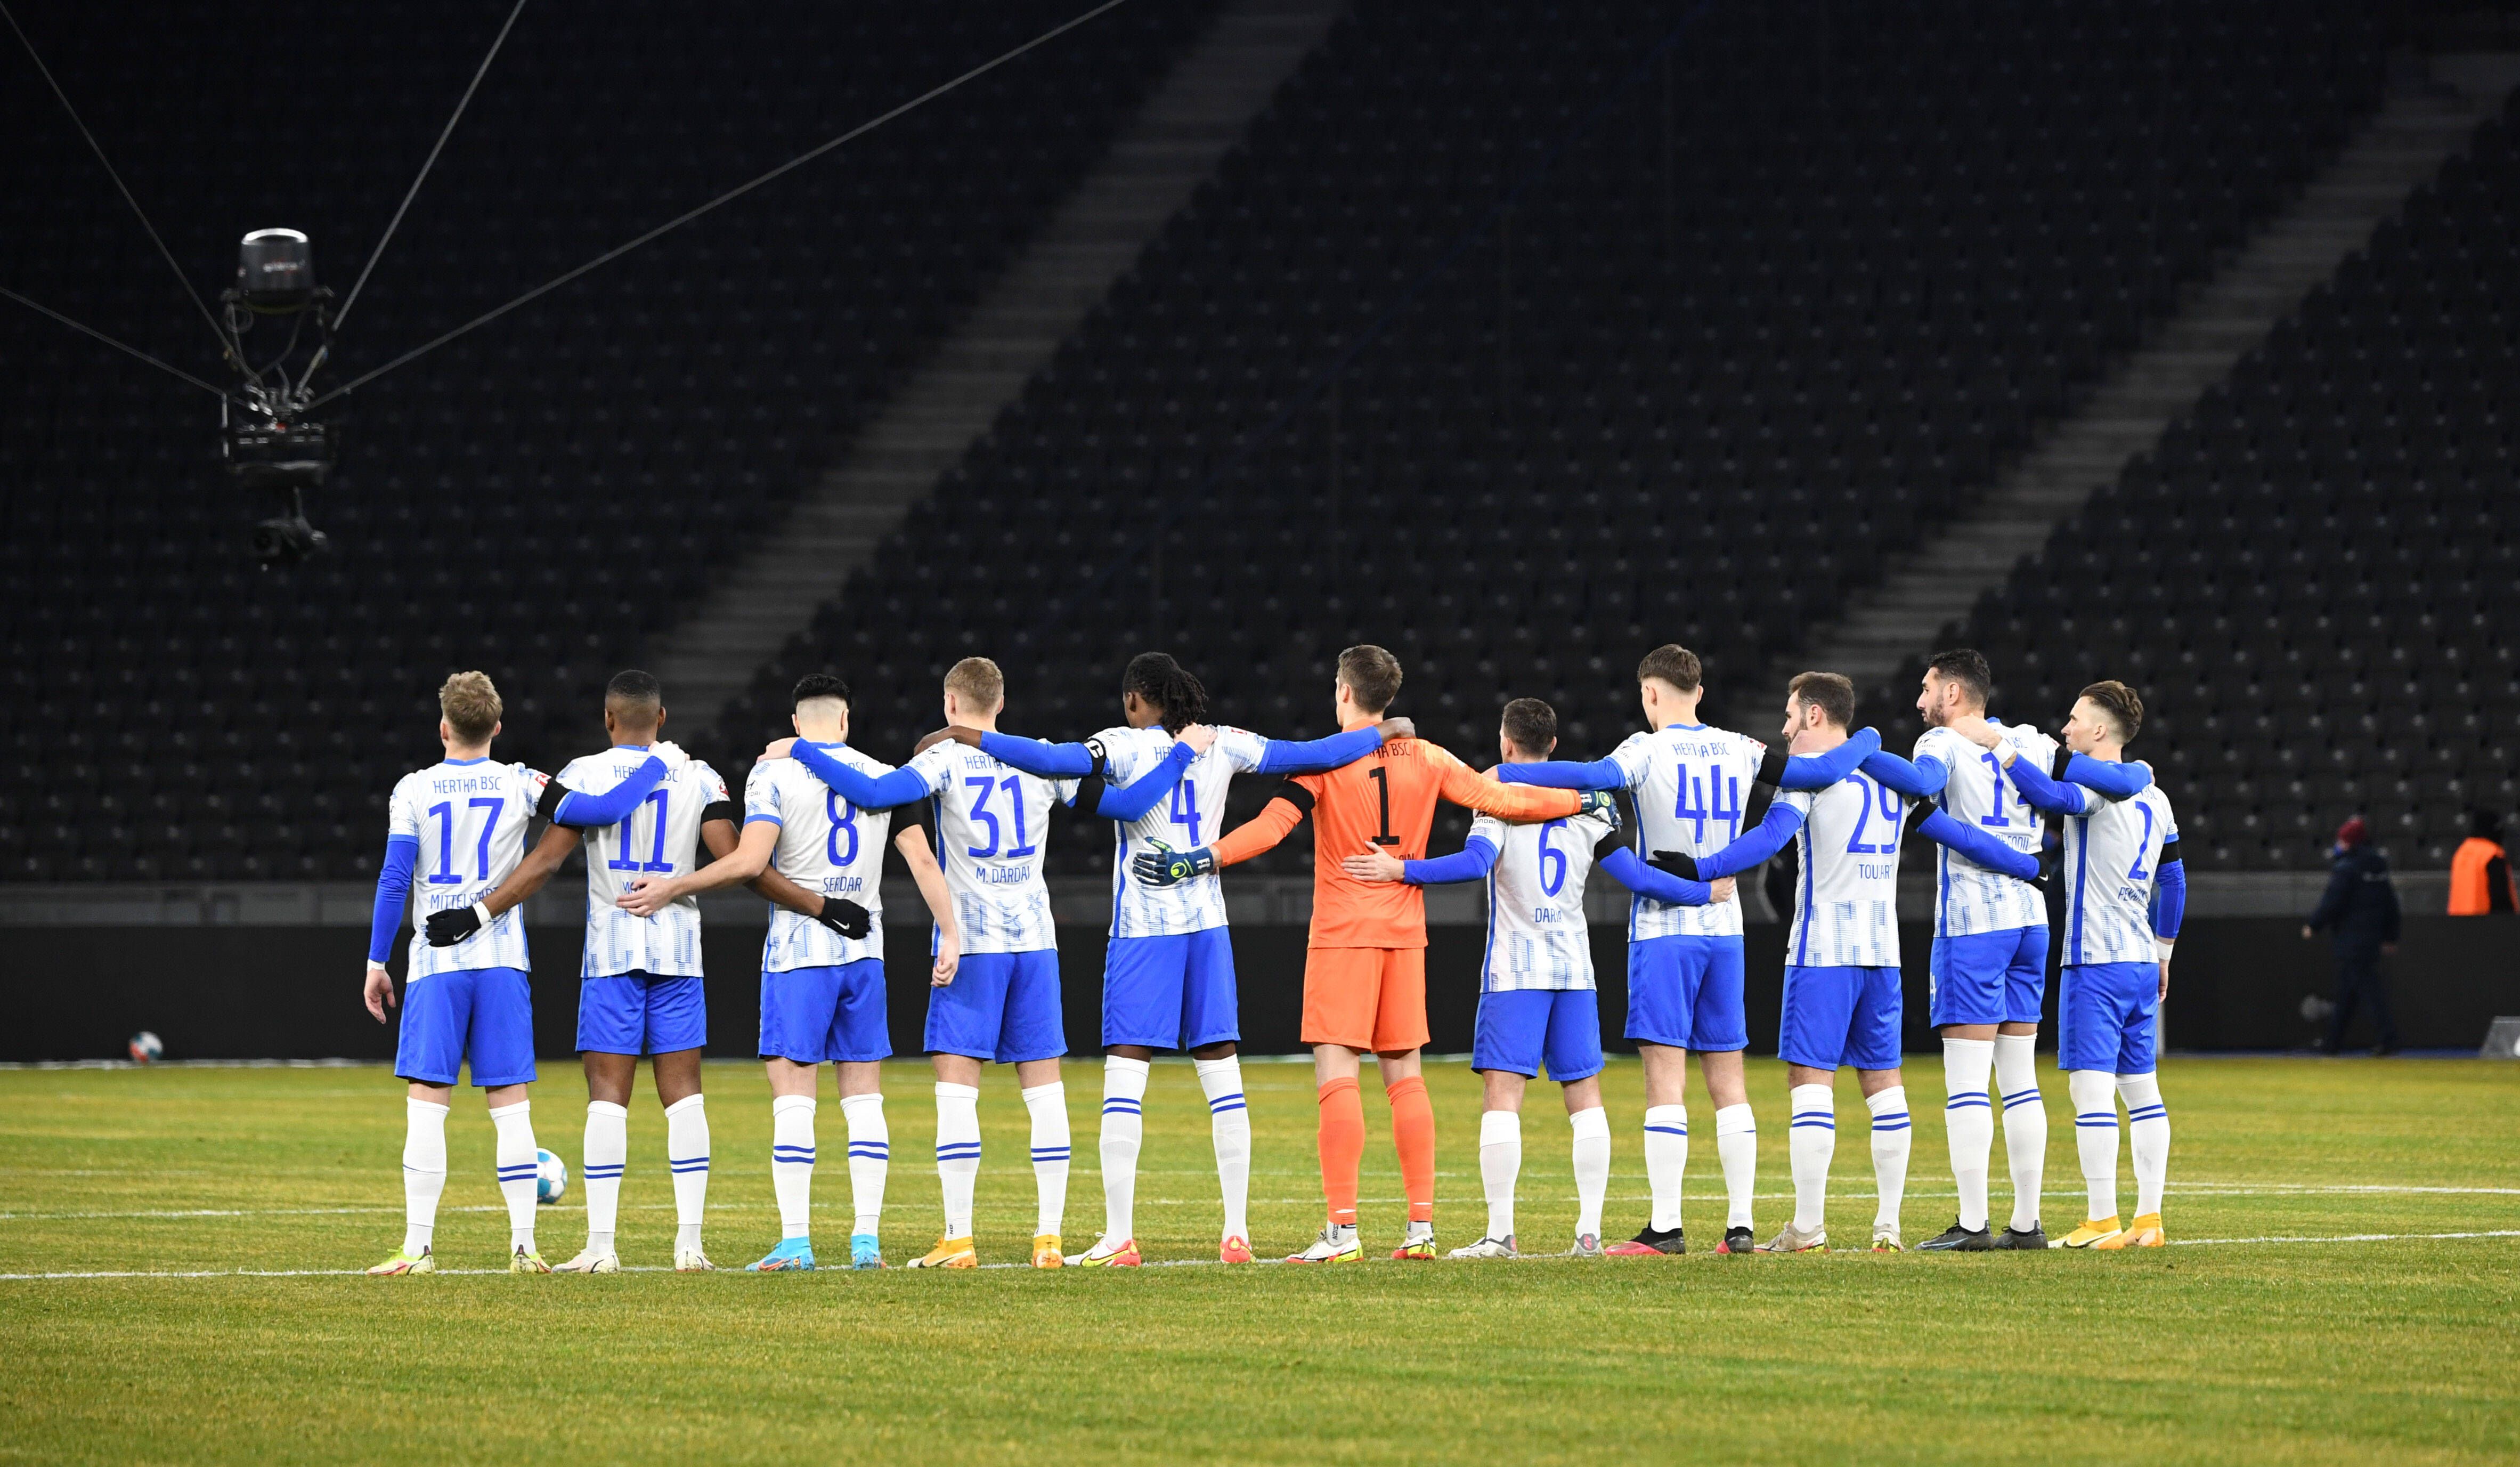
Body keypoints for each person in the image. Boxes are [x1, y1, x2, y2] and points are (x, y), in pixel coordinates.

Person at [1134, 644, 1602, 1262]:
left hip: (1342, 931)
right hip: (1405, 933)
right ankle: (1420, 1228)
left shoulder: (1329, 760)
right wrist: (1579, 801)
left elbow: (1273, 826)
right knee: (1404, 1077)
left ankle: (1342, 1229)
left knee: (1337, 1074)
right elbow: (1506, 802)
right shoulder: (1429, 756)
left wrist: (1202, 857)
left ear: (1345, 693)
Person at [937, 651, 1403, 1267]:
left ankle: (1118, 1236)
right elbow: (1313, 754)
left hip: (1143, 932)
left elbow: (1051, 761)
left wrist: (964, 732)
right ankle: (1236, 1232)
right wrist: (1383, 731)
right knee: (1222, 1076)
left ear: (1134, 699)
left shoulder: (1124, 746)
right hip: (1207, 928)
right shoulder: (1225, 742)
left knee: (1126, 1078)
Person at [774, 656, 1190, 1270]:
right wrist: (1180, 757)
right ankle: (1048, 1240)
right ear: (1001, 702)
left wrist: (800, 751)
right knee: (1044, 1089)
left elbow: (871, 793)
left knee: (956, 1088)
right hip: (1035, 942)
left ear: (949, 703)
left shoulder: (942, 758)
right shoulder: (1042, 755)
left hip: (971, 944)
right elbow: (1129, 806)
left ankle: (959, 1237)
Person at [1483, 645, 1882, 1256]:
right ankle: (1741, 1222)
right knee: (1728, 1077)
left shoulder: (1644, 749)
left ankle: (1665, 1226)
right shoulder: (1740, 746)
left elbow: (1589, 777)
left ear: (1649, 694)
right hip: (1726, 927)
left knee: (1664, 1079)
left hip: (1665, 929)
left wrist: (1508, 774)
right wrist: (1870, 736)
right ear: (1699, 691)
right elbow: (1818, 774)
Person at [1344, 696, 1736, 1259]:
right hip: (1575, 969)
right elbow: (1636, 876)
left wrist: (1400, 868)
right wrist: (1703, 891)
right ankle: (1588, 1232)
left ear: (1506, 744)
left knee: (1503, 1095)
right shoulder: (1588, 809)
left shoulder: (1497, 802)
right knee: (1585, 1095)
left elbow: (1472, 863)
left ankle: (1500, 1233)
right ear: (1553, 746)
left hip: (1515, 971)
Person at [1659, 672, 2039, 1253]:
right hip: (1882, 955)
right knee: (1883, 1084)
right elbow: (1950, 823)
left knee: (1809, 1079)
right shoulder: (1890, 782)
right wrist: (2027, 867)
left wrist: (1700, 867)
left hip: (1821, 953)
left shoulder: (1811, 781)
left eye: (1790, 716)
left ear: (1815, 715)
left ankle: (1808, 1226)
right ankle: (1887, 1225)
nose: (1783, 728)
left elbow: (1764, 840)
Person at [612, 672, 962, 1271]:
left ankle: (797, 1240)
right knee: (863, 1096)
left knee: (793, 1095)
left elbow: (748, 862)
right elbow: (923, 858)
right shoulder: (883, 774)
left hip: (799, 954)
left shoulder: (772, 772)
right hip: (864, 953)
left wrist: (675, 884)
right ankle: (866, 1241)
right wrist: (949, 932)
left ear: (797, 723)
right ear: (845, 721)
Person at [361, 671, 680, 1276]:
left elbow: (394, 880)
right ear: (498, 727)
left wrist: (378, 961)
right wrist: (655, 764)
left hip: (437, 963)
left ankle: (417, 1248)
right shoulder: (521, 781)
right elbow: (602, 809)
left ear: (443, 726)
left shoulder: (413, 788)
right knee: (511, 1105)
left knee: (429, 1102)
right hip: (502, 961)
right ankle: (524, 1247)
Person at [439, 670, 738, 1274]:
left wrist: (480, 910)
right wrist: (680, 882)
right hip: (679, 948)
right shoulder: (700, 774)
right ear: (661, 718)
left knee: (607, 1099)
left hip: (609, 952)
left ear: (608, 719)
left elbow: (545, 862)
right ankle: (690, 1245)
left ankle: (601, 1247)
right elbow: (737, 860)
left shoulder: (582, 774)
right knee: (684, 1098)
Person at [1854, 649, 2149, 1253]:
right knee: (2018, 1079)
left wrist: (1857, 750)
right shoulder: (2032, 741)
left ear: (1953, 693)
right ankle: (2025, 1221)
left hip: (1972, 924)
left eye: (1926, 687)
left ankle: (1970, 1222)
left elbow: (1921, 787)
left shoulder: (1938, 742)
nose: (1919, 701)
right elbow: (2115, 781)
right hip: (2030, 923)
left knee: (1965, 1080)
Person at [1961, 680, 2182, 1249]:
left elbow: (2054, 800)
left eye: (2074, 718)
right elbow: (2174, 879)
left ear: (2100, 730)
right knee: (2142, 1092)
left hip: (2094, 963)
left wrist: (2001, 750)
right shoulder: (2156, 799)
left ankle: (2102, 1219)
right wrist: (2163, 953)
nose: (2065, 729)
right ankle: (2149, 1220)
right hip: (2137, 959)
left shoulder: (2093, 787)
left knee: (2090, 1095)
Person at [2303, 816, 2402, 1056]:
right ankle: (2332, 1043)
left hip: (2351, 940)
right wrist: (2390, 936)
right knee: (2347, 993)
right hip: (2370, 938)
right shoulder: (2378, 868)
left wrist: (2313, 926)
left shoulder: (2346, 869)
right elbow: (2390, 904)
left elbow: (2332, 903)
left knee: (2369, 991)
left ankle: (2388, 1038)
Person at [2448, 808, 2513, 915]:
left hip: (2458, 927)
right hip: (2487, 927)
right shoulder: (2491, 854)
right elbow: (2501, 899)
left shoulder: (2462, 853)